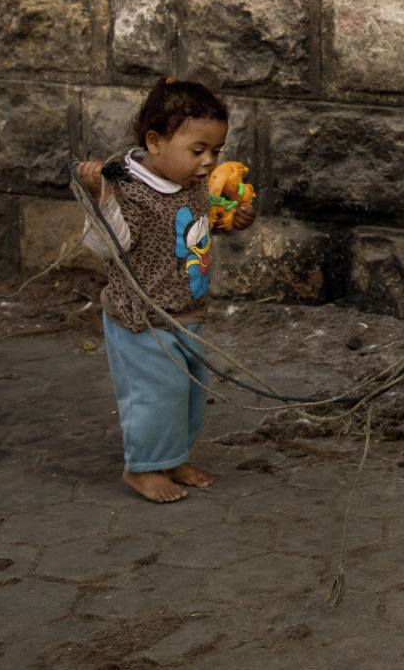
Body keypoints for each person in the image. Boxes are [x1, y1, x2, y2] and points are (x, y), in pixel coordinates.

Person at [79, 79, 255, 503]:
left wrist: (230, 221)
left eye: (216, 151)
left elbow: (193, 227)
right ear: (155, 142)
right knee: (156, 395)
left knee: (189, 392)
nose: (208, 161)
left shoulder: (191, 182)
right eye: (198, 150)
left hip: (186, 311)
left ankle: (172, 457)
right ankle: (142, 468)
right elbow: (106, 245)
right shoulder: (128, 191)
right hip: (143, 320)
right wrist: (100, 200)